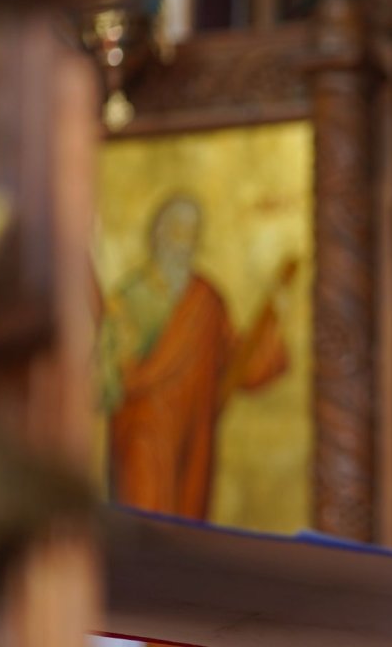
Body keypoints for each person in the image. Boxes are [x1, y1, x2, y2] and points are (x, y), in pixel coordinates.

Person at [99, 194, 294, 519]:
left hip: (193, 438)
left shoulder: (207, 301)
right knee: (145, 528)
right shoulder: (130, 298)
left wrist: (275, 324)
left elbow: (239, 364)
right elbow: (112, 372)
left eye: (192, 232)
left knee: (184, 533)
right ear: (158, 233)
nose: (184, 241)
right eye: (177, 230)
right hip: (143, 437)